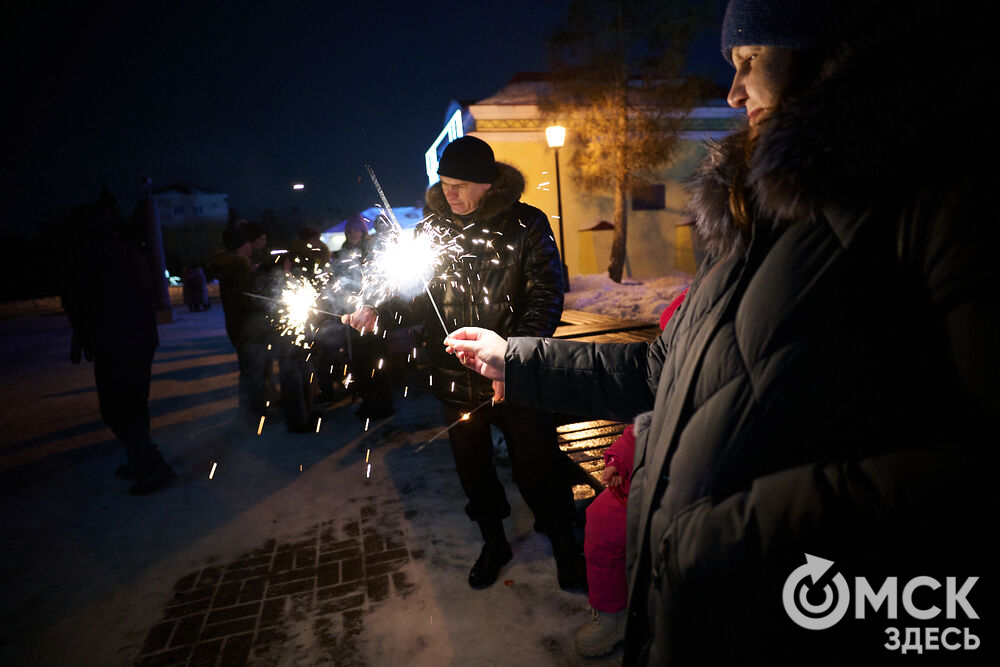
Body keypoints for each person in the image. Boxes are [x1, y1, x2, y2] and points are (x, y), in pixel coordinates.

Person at [444, 1, 994, 664]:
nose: (733, 91)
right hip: (701, 614)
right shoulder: (746, 218)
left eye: (751, 60)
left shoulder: (940, 199)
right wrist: (521, 360)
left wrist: (730, 535)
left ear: (833, 54)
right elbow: (659, 374)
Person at [344, 135, 585, 591]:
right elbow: (414, 302)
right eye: (444, 183)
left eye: (459, 184)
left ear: (487, 184)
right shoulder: (431, 231)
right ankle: (494, 541)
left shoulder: (527, 224)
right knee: (474, 471)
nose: (449, 193)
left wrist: (513, 359)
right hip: (455, 377)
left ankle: (564, 543)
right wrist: (381, 313)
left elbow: (546, 295)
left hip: (515, 376)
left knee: (539, 467)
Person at [575, 288, 686, 657]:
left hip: (690, 487)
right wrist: (619, 462)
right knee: (601, 518)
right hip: (647, 479)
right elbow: (641, 428)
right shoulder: (667, 380)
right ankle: (611, 612)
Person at [63, 204, 176, 495]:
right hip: (140, 341)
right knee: (135, 404)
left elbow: (78, 301)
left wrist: (83, 331)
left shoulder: (89, 257)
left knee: (116, 409)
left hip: (114, 344)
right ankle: (139, 458)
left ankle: (151, 465)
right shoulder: (130, 253)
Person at [213, 226, 271, 421]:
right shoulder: (237, 268)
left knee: (250, 370)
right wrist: (264, 298)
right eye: (247, 242)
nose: (251, 246)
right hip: (248, 329)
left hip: (242, 328)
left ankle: (250, 410)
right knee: (254, 371)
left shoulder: (236, 266)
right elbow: (244, 300)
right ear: (241, 245)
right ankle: (254, 412)